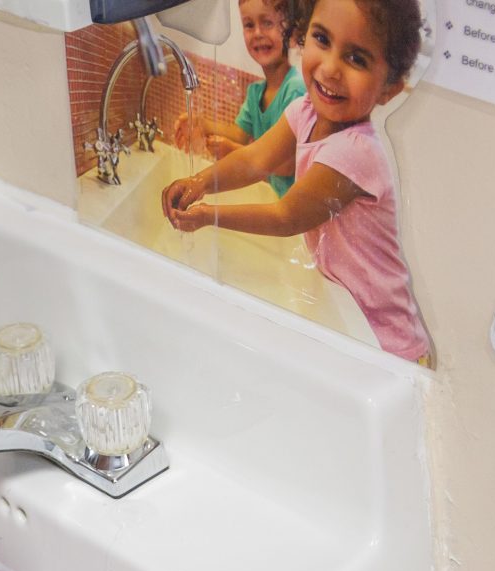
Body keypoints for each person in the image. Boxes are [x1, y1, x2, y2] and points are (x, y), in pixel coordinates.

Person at [160, 0, 430, 364]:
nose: (331, 68)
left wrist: (210, 215)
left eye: (357, 59)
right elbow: (255, 159)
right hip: (351, 322)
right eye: (322, 38)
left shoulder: (356, 151)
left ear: (389, 89)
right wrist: (201, 181)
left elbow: (287, 216)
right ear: (303, 35)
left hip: (387, 345)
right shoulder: (305, 110)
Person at [173, 0, 307, 197]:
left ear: (292, 33)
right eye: (249, 25)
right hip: (281, 200)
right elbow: (239, 133)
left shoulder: (295, 90)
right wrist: (202, 124)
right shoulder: (256, 92)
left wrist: (234, 150)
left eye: (268, 23)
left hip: (297, 209)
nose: (258, 33)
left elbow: (287, 164)